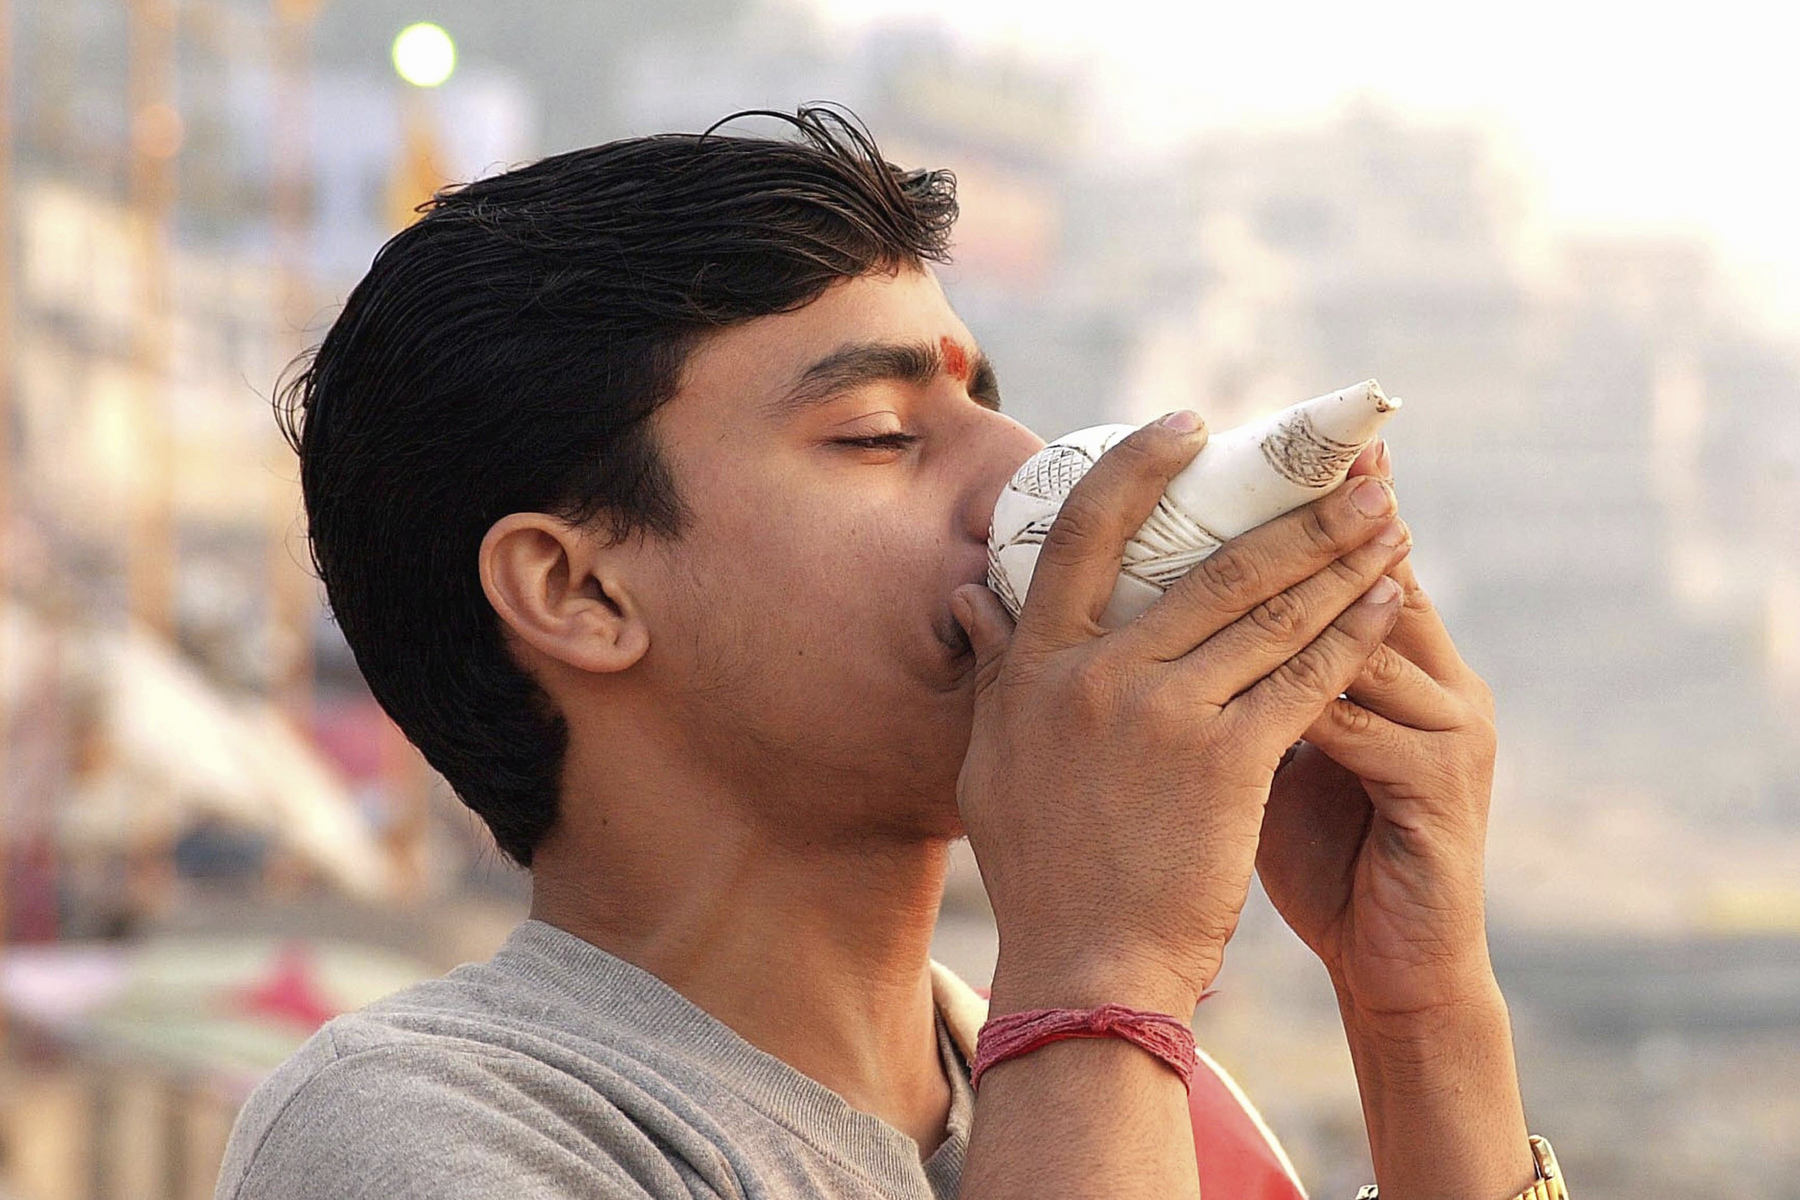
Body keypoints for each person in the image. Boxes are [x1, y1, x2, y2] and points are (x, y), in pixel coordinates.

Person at [216, 107, 1562, 1200]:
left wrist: (1421, 1013)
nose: (1025, 473)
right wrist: (1104, 969)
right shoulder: (422, 1131)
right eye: (876, 434)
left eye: (982, 400)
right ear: (577, 589)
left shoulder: (1164, 1105)